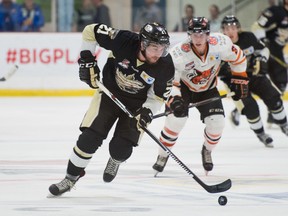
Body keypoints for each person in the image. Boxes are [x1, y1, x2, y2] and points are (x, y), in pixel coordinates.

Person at [48, 22, 175, 196]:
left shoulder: (166, 66)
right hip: (108, 95)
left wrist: (147, 112)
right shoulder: (123, 40)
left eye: (162, 48)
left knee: (121, 150)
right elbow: (89, 31)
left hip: (136, 107)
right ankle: (70, 178)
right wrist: (87, 61)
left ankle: (115, 160)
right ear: (143, 44)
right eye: (154, 47)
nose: (158, 53)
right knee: (89, 139)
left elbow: (158, 97)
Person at [152, 17, 248, 175]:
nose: (197, 38)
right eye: (193, 34)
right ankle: (162, 155)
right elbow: (171, 81)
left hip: (208, 88)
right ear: (189, 34)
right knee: (175, 121)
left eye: (201, 34)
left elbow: (238, 57)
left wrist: (240, 80)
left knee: (217, 124)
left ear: (208, 34)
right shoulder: (178, 53)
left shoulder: (221, 44)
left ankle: (207, 150)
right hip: (183, 89)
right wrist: (175, 100)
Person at [219, 15, 288, 148]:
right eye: (227, 28)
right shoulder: (220, 45)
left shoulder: (248, 37)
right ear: (223, 31)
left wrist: (262, 59)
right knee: (251, 108)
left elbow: (264, 49)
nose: (230, 31)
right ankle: (261, 134)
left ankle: (284, 125)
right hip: (234, 82)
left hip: (254, 75)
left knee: (274, 98)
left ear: (238, 28)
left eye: (233, 27)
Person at [255, 0, 288, 124]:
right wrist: (263, 41)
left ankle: (272, 114)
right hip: (265, 51)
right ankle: (238, 111)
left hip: (277, 54)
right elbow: (257, 25)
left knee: (281, 84)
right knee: (257, 83)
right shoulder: (275, 11)